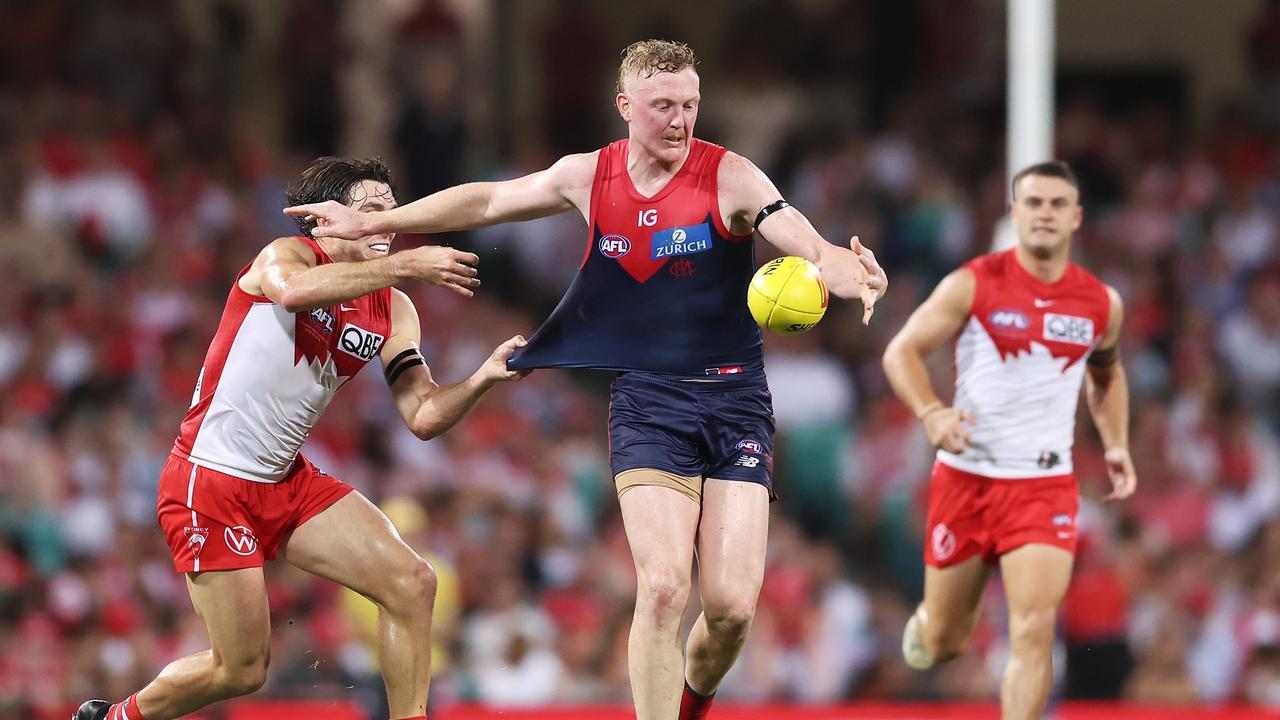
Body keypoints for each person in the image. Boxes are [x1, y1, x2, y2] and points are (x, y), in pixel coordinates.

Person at [284, 39, 887, 720]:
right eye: (664, 106)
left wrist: (835, 262)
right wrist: (378, 221)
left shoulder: (731, 176)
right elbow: (487, 201)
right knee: (662, 588)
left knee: (729, 613)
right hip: (648, 401)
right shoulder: (587, 176)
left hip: (735, 400)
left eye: (690, 105)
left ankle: (692, 704)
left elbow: (795, 232)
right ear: (625, 106)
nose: (680, 120)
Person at [74, 157, 527, 720]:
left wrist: (483, 378)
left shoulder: (395, 309)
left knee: (413, 584)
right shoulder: (282, 256)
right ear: (324, 219)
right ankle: (115, 717)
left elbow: (424, 414)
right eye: (369, 211)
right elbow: (292, 295)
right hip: (210, 479)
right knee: (240, 670)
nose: (387, 223)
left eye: (393, 211)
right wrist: (408, 264)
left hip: (287, 480)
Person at [881, 161, 1137, 720]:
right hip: (967, 478)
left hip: (1044, 483)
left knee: (1034, 627)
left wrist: (1115, 442)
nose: (1045, 213)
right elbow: (900, 351)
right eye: (1034, 203)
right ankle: (929, 623)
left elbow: (1108, 372)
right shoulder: (972, 283)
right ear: (1015, 213)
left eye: (1057, 204)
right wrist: (930, 413)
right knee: (946, 643)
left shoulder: (1100, 303)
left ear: (1076, 217)